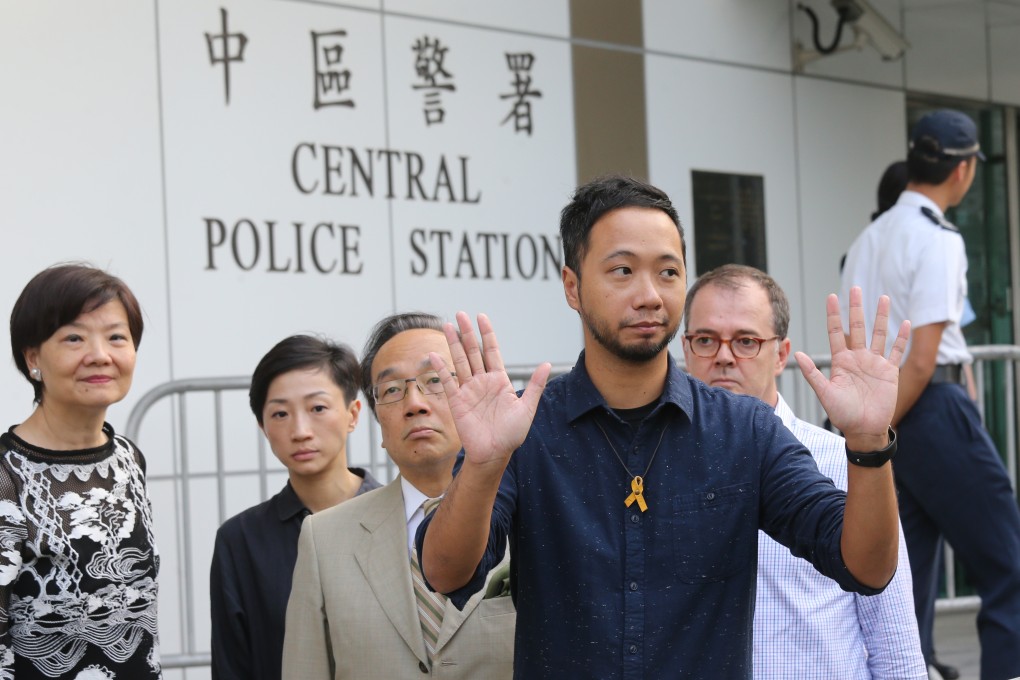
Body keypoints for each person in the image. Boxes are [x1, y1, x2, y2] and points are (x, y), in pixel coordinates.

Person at [418, 175, 909, 679]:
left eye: (668, 272)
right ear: (572, 286)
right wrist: (483, 463)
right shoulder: (524, 429)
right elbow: (446, 573)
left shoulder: (745, 431)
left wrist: (869, 444)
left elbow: (866, 567)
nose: (649, 295)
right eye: (623, 271)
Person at [841, 109, 1020, 680]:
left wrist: (870, 436)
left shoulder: (868, 238)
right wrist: (875, 429)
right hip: (928, 408)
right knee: (1010, 567)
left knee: (899, 586)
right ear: (963, 171)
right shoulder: (938, 238)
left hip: (887, 423)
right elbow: (922, 359)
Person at [683, 263, 926, 679]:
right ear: (685, 349)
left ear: (780, 354)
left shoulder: (846, 463)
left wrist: (867, 444)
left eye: (745, 341)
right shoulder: (658, 469)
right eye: (705, 339)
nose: (723, 356)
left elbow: (895, 646)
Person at [282, 313, 514, 679]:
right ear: (378, 424)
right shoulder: (323, 538)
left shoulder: (536, 516)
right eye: (391, 390)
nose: (415, 403)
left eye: (435, 380)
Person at [0, 263, 160, 678]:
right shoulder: (6, 474)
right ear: (33, 356)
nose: (100, 355)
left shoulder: (128, 458)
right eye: (74, 338)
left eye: (116, 338)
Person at [209, 335, 381, 680]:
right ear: (263, 427)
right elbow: (233, 666)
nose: (300, 431)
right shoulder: (241, 540)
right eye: (280, 414)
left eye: (318, 408)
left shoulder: (401, 518)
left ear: (353, 413)